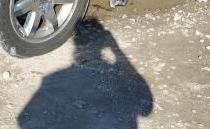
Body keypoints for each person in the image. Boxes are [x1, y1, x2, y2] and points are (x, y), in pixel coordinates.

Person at [18, 18, 153, 128]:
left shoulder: (51, 78)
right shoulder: (54, 78)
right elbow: (146, 109)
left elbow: (23, 118)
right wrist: (116, 49)